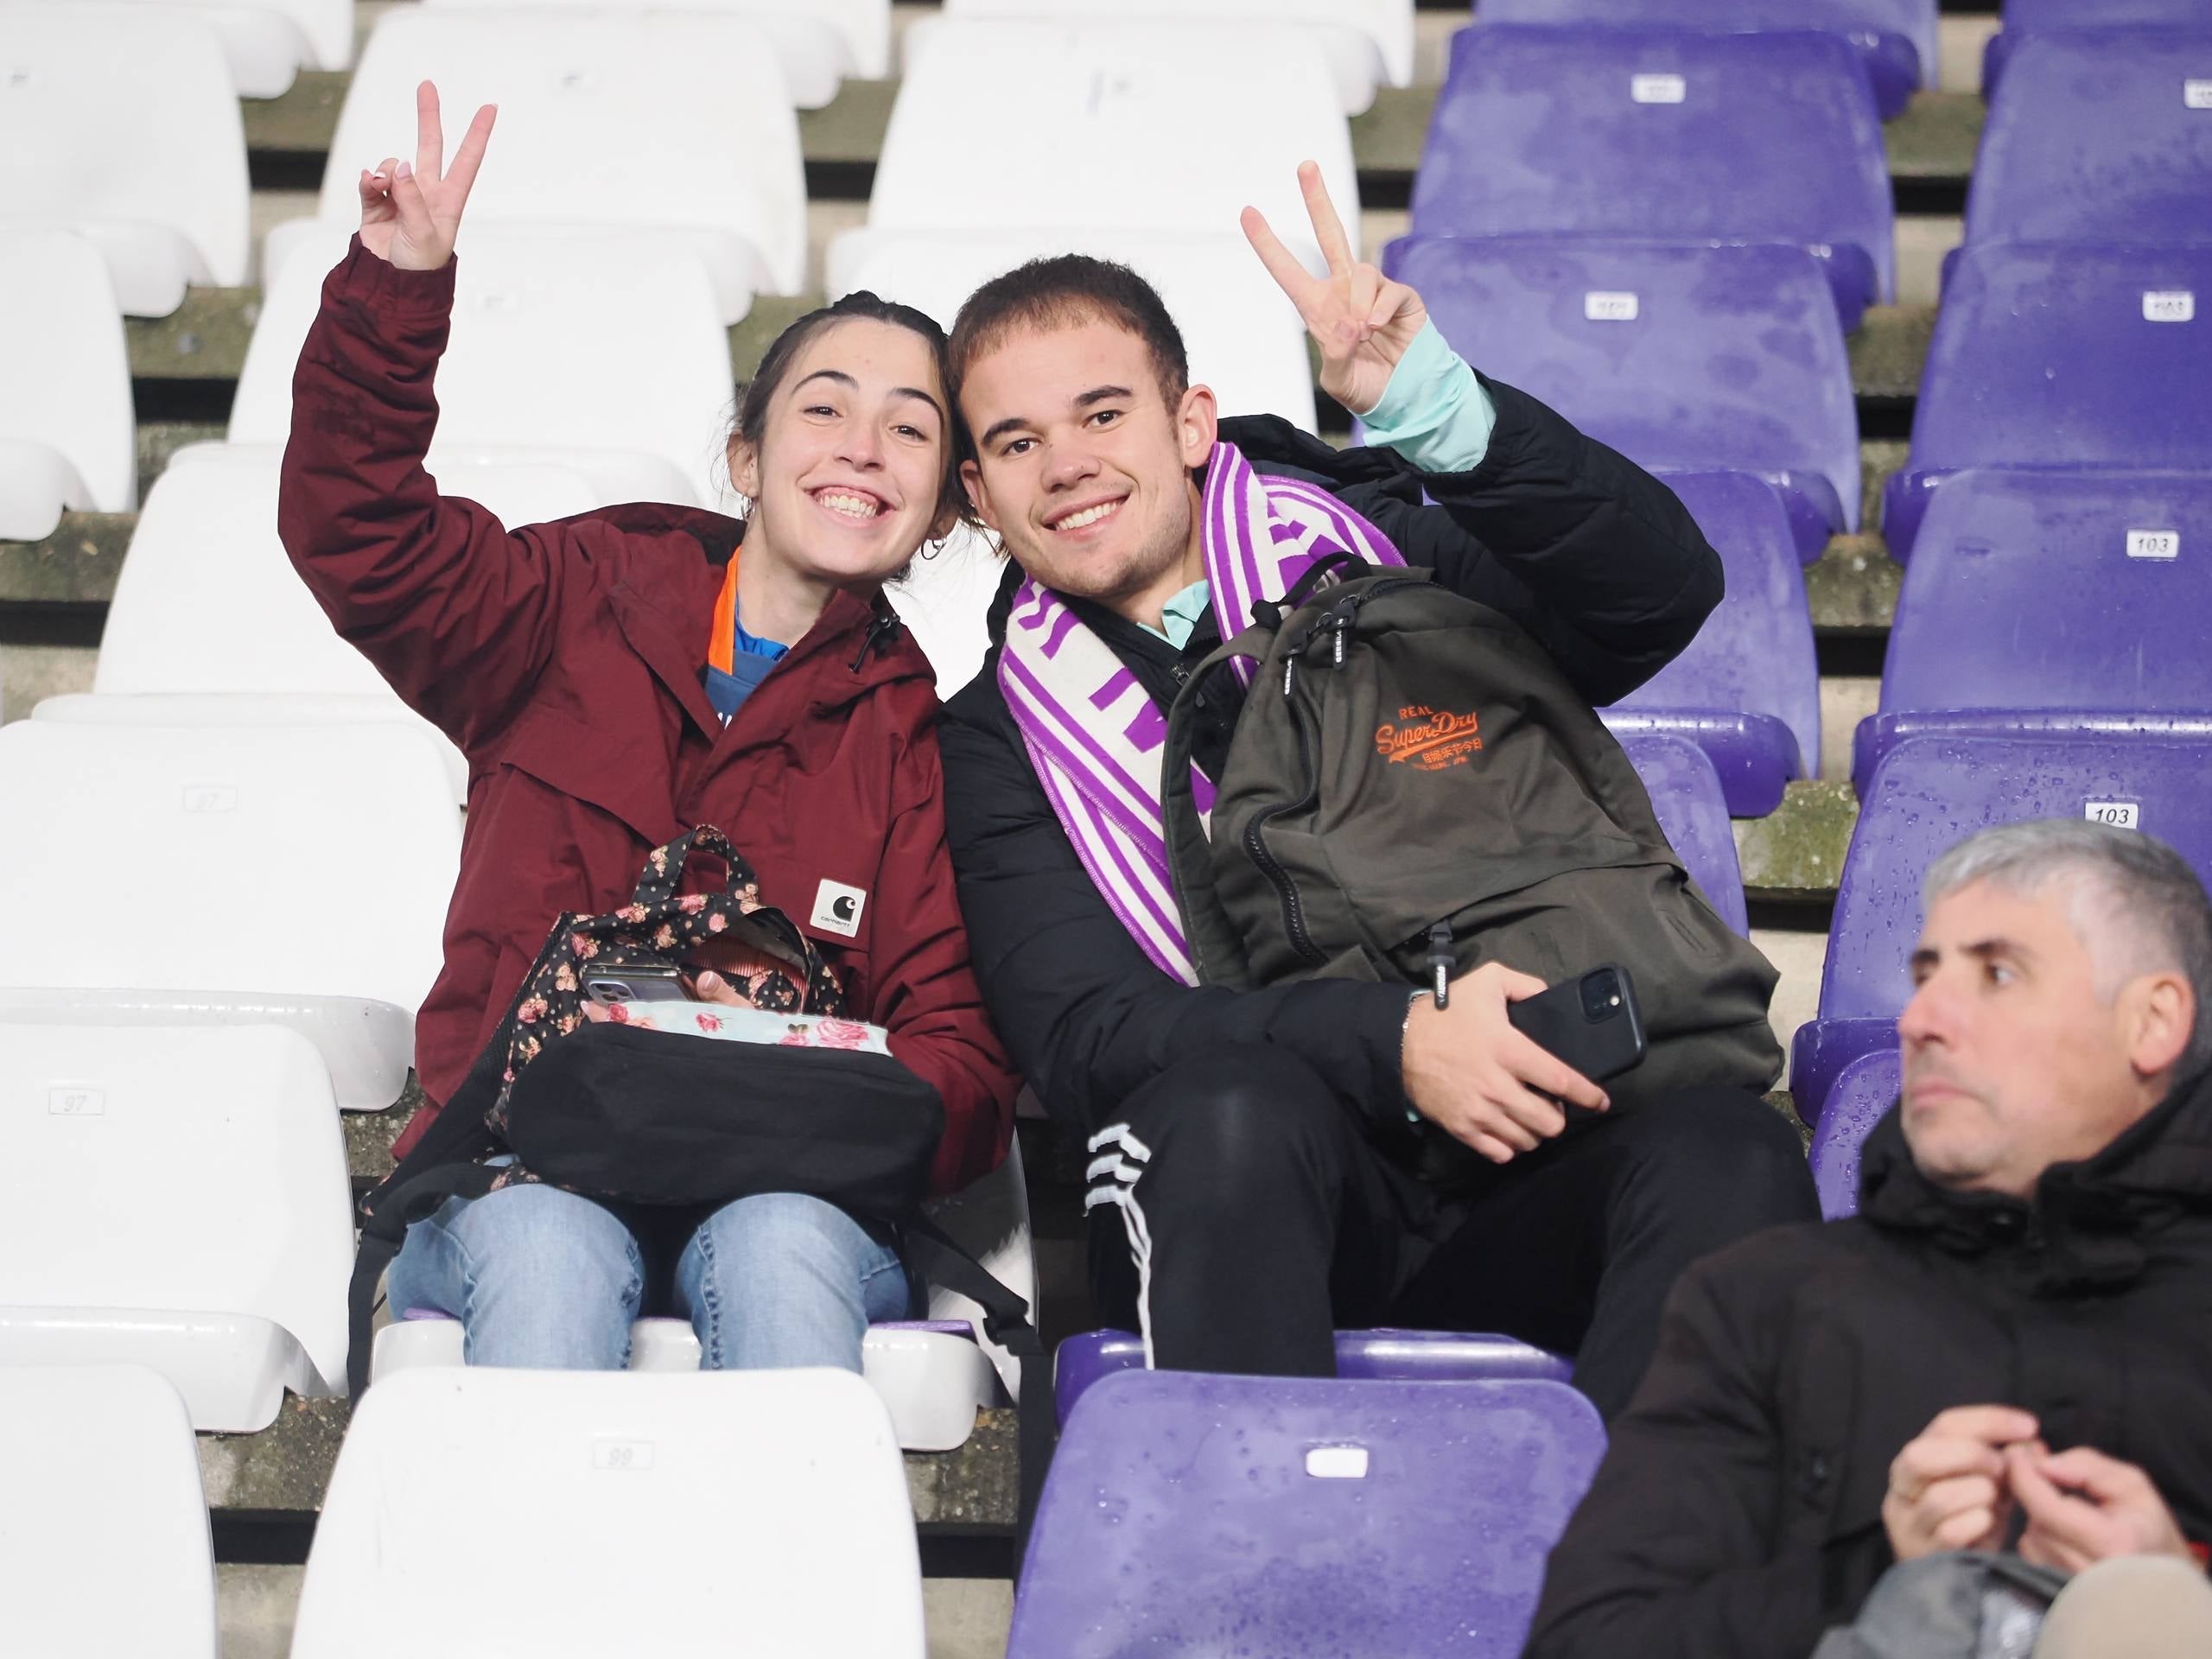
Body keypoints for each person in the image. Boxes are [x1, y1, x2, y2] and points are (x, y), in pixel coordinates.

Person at [935, 163, 1818, 1419]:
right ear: (979, 494)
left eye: (1102, 414)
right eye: (1017, 443)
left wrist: (1433, 407)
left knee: (1730, 1154)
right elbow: (1090, 1037)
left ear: (1190, 423)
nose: (1065, 465)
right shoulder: (991, 735)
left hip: (1536, 1149)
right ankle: (1268, 1542)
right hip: (1263, 1188)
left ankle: (1622, 1545)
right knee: (1222, 1110)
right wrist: (1396, 1043)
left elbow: (1660, 592)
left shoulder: (1383, 545)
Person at [279, 84, 1019, 1371]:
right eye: (824, 408)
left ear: (940, 510)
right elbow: (361, 536)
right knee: (548, 1243)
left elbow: (961, 1058)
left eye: (910, 428)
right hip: (515, 1172)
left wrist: (807, 1067)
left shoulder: (920, 738)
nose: (864, 447)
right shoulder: (576, 600)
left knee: (776, 1240)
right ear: (746, 458)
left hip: (795, 1191)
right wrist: (396, 295)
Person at [1526, 819, 2212, 1658]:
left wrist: (2183, 1584)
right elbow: (1587, 1644)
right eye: (1924, 977)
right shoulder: (1761, 1301)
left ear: (2152, 1019)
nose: (1922, 1018)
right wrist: (1876, 1572)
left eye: (1997, 974)